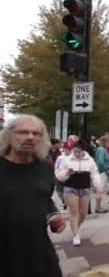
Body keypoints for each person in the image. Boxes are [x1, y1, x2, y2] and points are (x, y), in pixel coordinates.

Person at [0, 115, 65, 277]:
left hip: (40, 254)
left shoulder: (45, 167)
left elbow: (44, 198)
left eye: (36, 134)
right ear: (9, 135)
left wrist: (54, 214)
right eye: (23, 132)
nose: (30, 137)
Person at [56, 139, 102, 246]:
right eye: (75, 151)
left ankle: (75, 227)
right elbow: (59, 176)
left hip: (85, 189)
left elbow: (95, 174)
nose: (76, 153)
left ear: (84, 151)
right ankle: (76, 234)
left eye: (79, 152)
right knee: (74, 212)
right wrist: (67, 172)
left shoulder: (89, 160)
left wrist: (98, 187)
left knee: (84, 214)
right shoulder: (67, 159)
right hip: (70, 188)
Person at [93, 136, 109, 214]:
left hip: (101, 172)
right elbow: (100, 162)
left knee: (100, 190)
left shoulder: (101, 149)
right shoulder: (101, 150)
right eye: (108, 142)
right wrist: (106, 169)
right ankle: (98, 207)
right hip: (102, 172)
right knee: (100, 190)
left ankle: (98, 206)